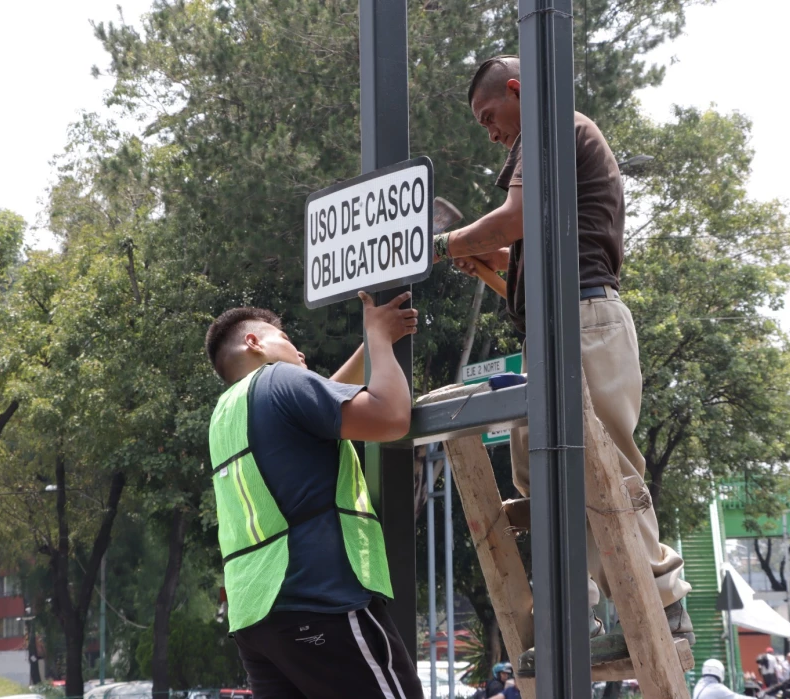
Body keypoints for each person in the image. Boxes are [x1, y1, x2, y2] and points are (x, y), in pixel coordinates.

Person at [433, 53, 692, 672]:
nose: (490, 133)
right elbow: (527, 250)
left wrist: (440, 245)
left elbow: (514, 219)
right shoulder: (550, 146)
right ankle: (581, 615)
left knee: (605, 466)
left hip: (583, 321)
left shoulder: (551, 126)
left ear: (518, 90)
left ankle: (661, 604)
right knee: (549, 478)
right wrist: (485, 258)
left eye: (489, 116)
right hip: (556, 328)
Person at [205, 291, 423, 698]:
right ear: (254, 342)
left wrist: (372, 340)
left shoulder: (226, 414)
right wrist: (378, 339)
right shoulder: (279, 380)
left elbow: (325, 402)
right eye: (286, 338)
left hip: (257, 620)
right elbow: (391, 418)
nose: (299, 351)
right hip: (321, 598)